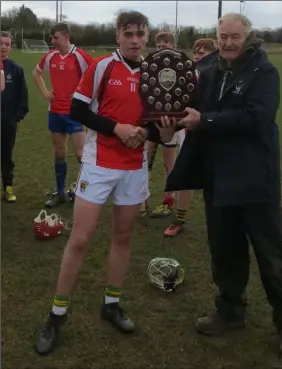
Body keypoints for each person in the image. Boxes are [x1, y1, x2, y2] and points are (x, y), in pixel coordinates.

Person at [34, 10, 174, 356]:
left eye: (141, 34)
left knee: (123, 236)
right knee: (80, 239)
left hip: (134, 167)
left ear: (147, 36)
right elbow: (79, 111)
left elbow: (164, 123)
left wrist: (149, 132)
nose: (136, 40)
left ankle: (111, 303)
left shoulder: (155, 73)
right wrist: (117, 128)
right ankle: (56, 315)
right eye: (129, 34)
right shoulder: (101, 67)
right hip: (99, 165)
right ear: (118, 36)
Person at [165, 13, 282, 359]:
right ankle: (230, 311)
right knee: (225, 251)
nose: (228, 43)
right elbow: (191, 104)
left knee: (272, 256)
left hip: (256, 180)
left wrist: (205, 120)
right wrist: (168, 114)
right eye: (223, 36)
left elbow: (258, 117)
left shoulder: (264, 72)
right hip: (219, 178)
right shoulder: (209, 70)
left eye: (234, 37)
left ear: (247, 37)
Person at [33, 23, 92, 208]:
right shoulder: (50, 55)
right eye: (52, 38)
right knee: (59, 151)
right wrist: (44, 92)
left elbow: (96, 77)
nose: (53, 41)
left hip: (75, 113)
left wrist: (85, 100)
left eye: (55, 37)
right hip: (55, 111)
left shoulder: (80, 56)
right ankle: (60, 193)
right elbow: (36, 73)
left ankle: (84, 191)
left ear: (66, 36)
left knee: (81, 154)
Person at [164, 38, 218, 237]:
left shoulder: (221, 76)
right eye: (195, 53)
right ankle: (179, 219)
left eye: (202, 54)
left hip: (217, 136)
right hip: (193, 135)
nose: (197, 57)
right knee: (186, 175)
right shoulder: (189, 76)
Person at [143, 31, 186, 218]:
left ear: (174, 46)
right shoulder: (150, 65)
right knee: (145, 160)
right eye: (159, 46)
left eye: (165, 45)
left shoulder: (182, 67)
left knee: (169, 163)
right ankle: (142, 199)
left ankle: (168, 201)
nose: (161, 49)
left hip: (173, 123)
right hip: (151, 121)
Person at [1, 31, 29, 202]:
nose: (3, 47)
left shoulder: (16, 69)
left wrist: (16, 117)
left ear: (10, 47)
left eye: (7, 44)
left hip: (7, 121)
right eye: (0, 43)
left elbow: (23, 96)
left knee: (6, 155)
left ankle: (7, 188)